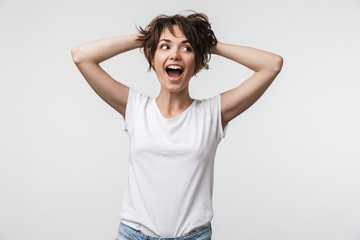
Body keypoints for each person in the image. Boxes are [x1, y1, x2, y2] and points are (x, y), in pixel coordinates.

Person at [71, 11, 283, 240]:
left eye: (187, 48)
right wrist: (147, 37)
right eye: (165, 47)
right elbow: (81, 56)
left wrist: (208, 44)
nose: (175, 55)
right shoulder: (135, 108)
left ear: (197, 63)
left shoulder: (213, 114)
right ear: (152, 58)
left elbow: (272, 64)